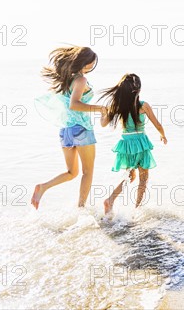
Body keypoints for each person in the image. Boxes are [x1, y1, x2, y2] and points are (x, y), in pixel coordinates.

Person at [31, 46, 106, 209]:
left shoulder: (67, 79)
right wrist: (99, 108)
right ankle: (81, 208)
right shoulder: (81, 80)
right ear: (85, 62)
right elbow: (74, 104)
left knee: (72, 172)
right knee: (87, 172)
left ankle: (42, 187)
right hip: (81, 129)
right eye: (92, 62)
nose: (92, 66)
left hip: (66, 131)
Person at [99, 73, 167, 214]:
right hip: (140, 143)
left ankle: (110, 199)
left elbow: (103, 123)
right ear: (139, 90)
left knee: (130, 176)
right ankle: (137, 210)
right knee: (143, 178)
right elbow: (158, 124)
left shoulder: (117, 106)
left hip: (126, 144)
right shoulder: (143, 106)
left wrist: (103, 112)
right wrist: (162, 135)